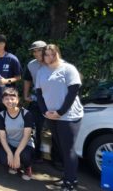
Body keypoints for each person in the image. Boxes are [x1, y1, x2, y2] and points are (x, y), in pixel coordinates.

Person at [35, 44, 83, 191]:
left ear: (57, 54)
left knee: (68, 150)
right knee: (61, 148)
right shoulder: (42, 71)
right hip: (51, 116)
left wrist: (60, 112)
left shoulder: (68, 69)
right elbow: (39, 93)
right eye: (46, 55)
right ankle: (66, 177)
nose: (49, 57)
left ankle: (71, 183)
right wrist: (44, 111)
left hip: (68, 116)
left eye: (52, 54)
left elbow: (73, 92)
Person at [0, 88, 35, 181]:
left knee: (25, 156)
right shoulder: (2, 115)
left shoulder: (26, 114)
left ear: (17, 100)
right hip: (10, 144)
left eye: (12, 98)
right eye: (6, 98)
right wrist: (10, 153)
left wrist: (17, 154)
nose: (9, 101)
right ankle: (15, 165)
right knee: (3, 159)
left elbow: (27, 137)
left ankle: (27, 167)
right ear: (3, 101)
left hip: (26, 144)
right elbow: (2, 137)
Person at [23, 40, 47, 163]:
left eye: (39, 50)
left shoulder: (54, 63)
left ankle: (57, 159)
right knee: (33, 126)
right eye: (34, 51)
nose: (36, 53)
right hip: (37, 99)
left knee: (53, 130)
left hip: (52, 101)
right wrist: (26, 95)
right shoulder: (31, 64)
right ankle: (36, 155)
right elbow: (27, 79)